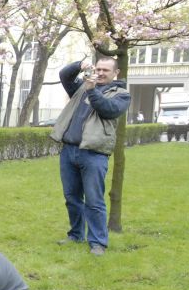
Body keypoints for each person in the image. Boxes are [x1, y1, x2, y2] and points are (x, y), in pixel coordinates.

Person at [50, 58, 130, 256]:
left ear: (116, 73)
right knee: (72, 197)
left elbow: (107, 110)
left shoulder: (121, 94)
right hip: (69, 150)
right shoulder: (80, 88)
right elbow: (64, 75)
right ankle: (76, 234)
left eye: (106, 70)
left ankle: (98, 242)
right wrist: (80, 65)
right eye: (98, 68)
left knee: (94, 200)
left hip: (94, 154)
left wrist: (92, 90)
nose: (101, 72)